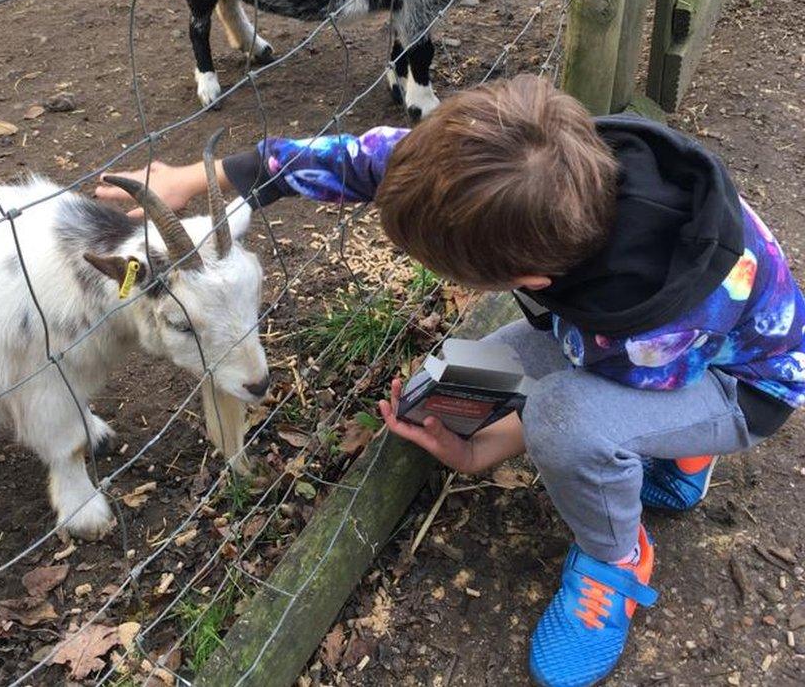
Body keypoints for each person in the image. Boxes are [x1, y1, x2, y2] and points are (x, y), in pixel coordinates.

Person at [96, 74, 804, 686]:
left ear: (528, 281)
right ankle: (673, 451)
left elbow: (583, 390)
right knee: (441, 390)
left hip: (731, 382)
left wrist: (489, 446)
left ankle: (619, 557)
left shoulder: (653, 317)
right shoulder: (521, 169)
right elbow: (367, 158)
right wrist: (201, 178)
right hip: (611, 335)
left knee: (565, 421)